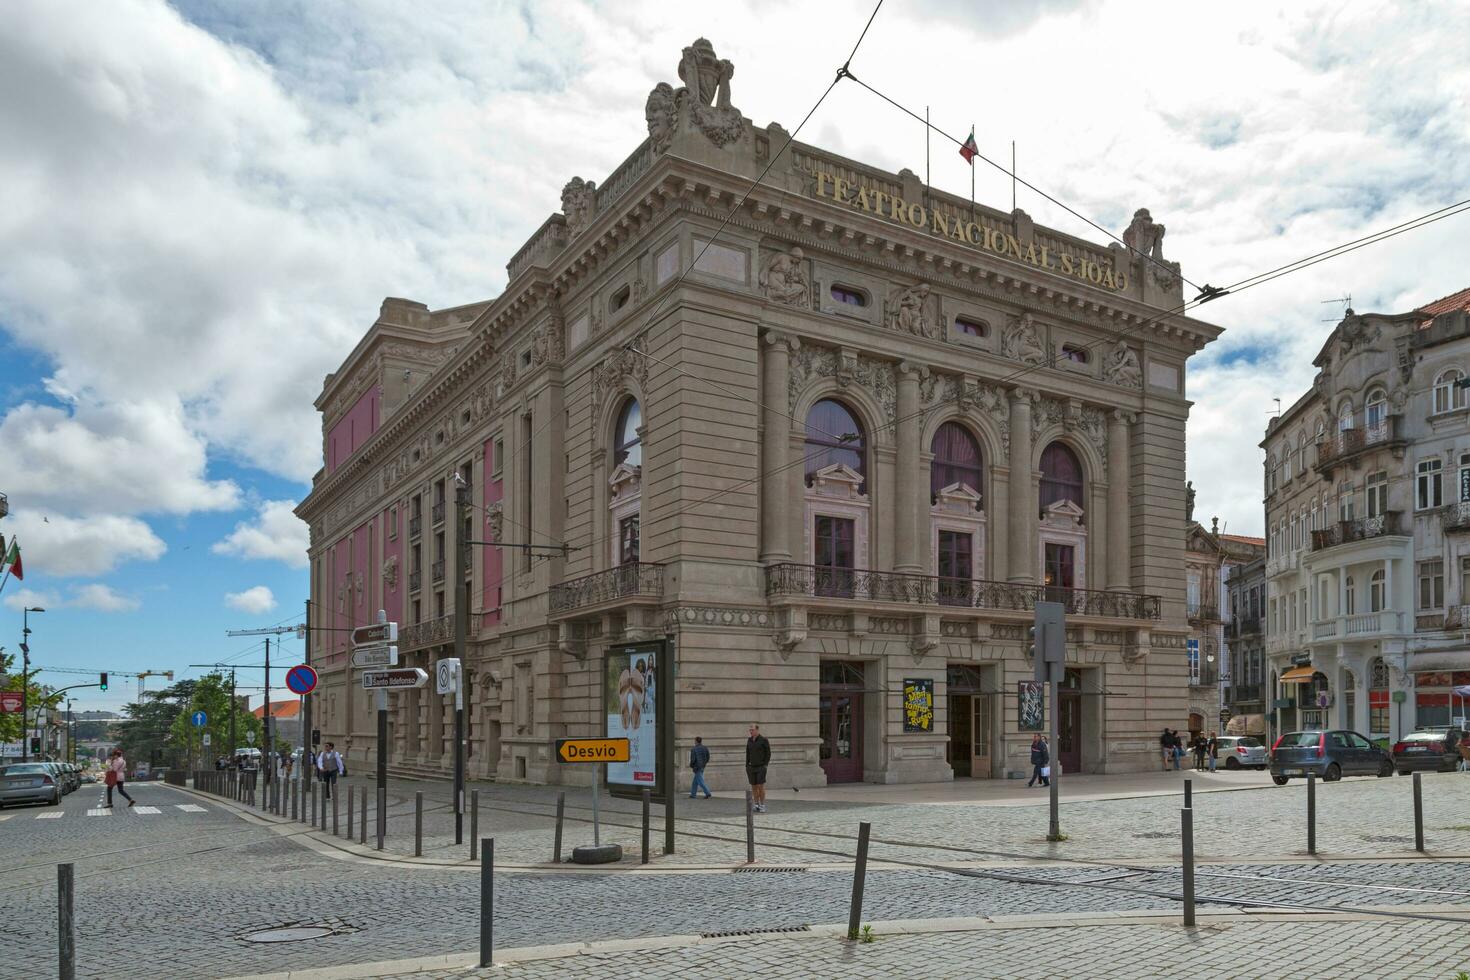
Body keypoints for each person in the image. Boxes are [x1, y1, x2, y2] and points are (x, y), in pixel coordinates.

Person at [746, 724, 771, 813]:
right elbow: (747, 753)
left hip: (761, 767)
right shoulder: (749, 740)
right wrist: (747, 766)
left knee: (760, 786)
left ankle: (762, 805)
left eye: (752, 730)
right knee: (754, 786)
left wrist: (765, 765)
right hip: (751, 767)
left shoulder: (764, 740)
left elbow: (768, 753)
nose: (751, 731)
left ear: (757, 730)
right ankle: (756, 804)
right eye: (750, 730)